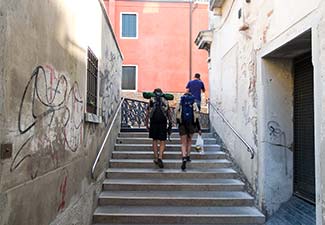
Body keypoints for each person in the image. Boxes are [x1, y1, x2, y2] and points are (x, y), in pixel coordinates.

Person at [145, 88, 172, 168]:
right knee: (162, 140)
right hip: (163, 122)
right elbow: (169, 112)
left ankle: (156, 158)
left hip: (154, 121)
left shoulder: (152, 99)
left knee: (155, 140)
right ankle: (160, 157)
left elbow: (148, 112)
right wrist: (170, 123)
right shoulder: (165, 99)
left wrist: (146, 124)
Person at [176, 92, 201, 171]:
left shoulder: (180, 103)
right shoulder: (194, 103)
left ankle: (183, 157)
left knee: (183, 143)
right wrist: (199, 128)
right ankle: (188, 156)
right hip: (191, 124)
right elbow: (196, 117)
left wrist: (178, 123)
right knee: (189, 141)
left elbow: (177, 114)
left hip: (182, 124)